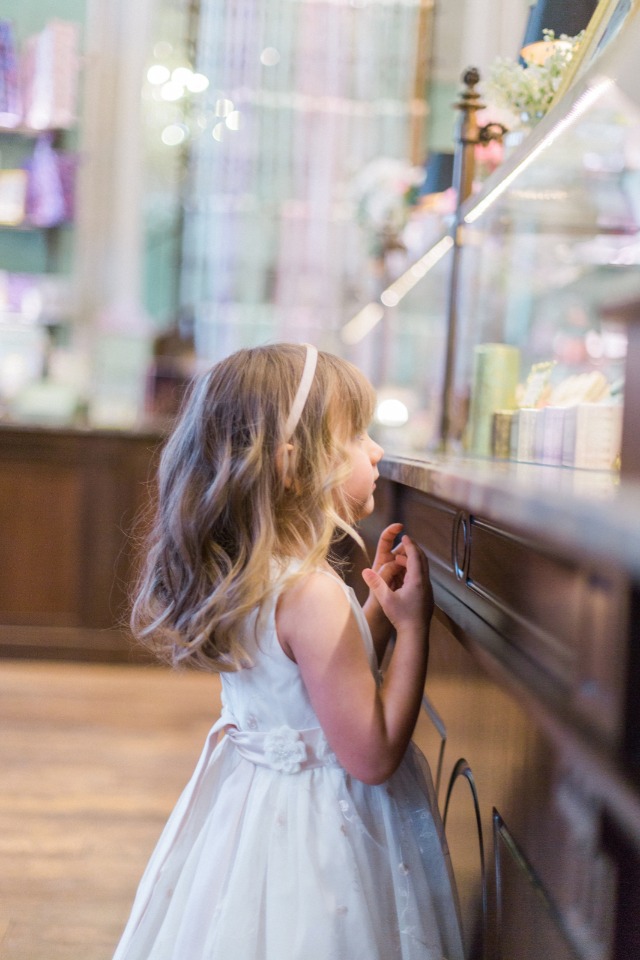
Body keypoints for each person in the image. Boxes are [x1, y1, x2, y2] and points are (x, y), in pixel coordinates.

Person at [113, 342, 464, 960]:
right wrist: (414, 630)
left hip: (256, 814)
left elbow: (318, 690)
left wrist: (378, 609)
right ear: (294, 465)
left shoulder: (259, 577)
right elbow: (372, 753)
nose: (377, 450)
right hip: (323, 835)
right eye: (356, 435)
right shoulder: (312, 595)